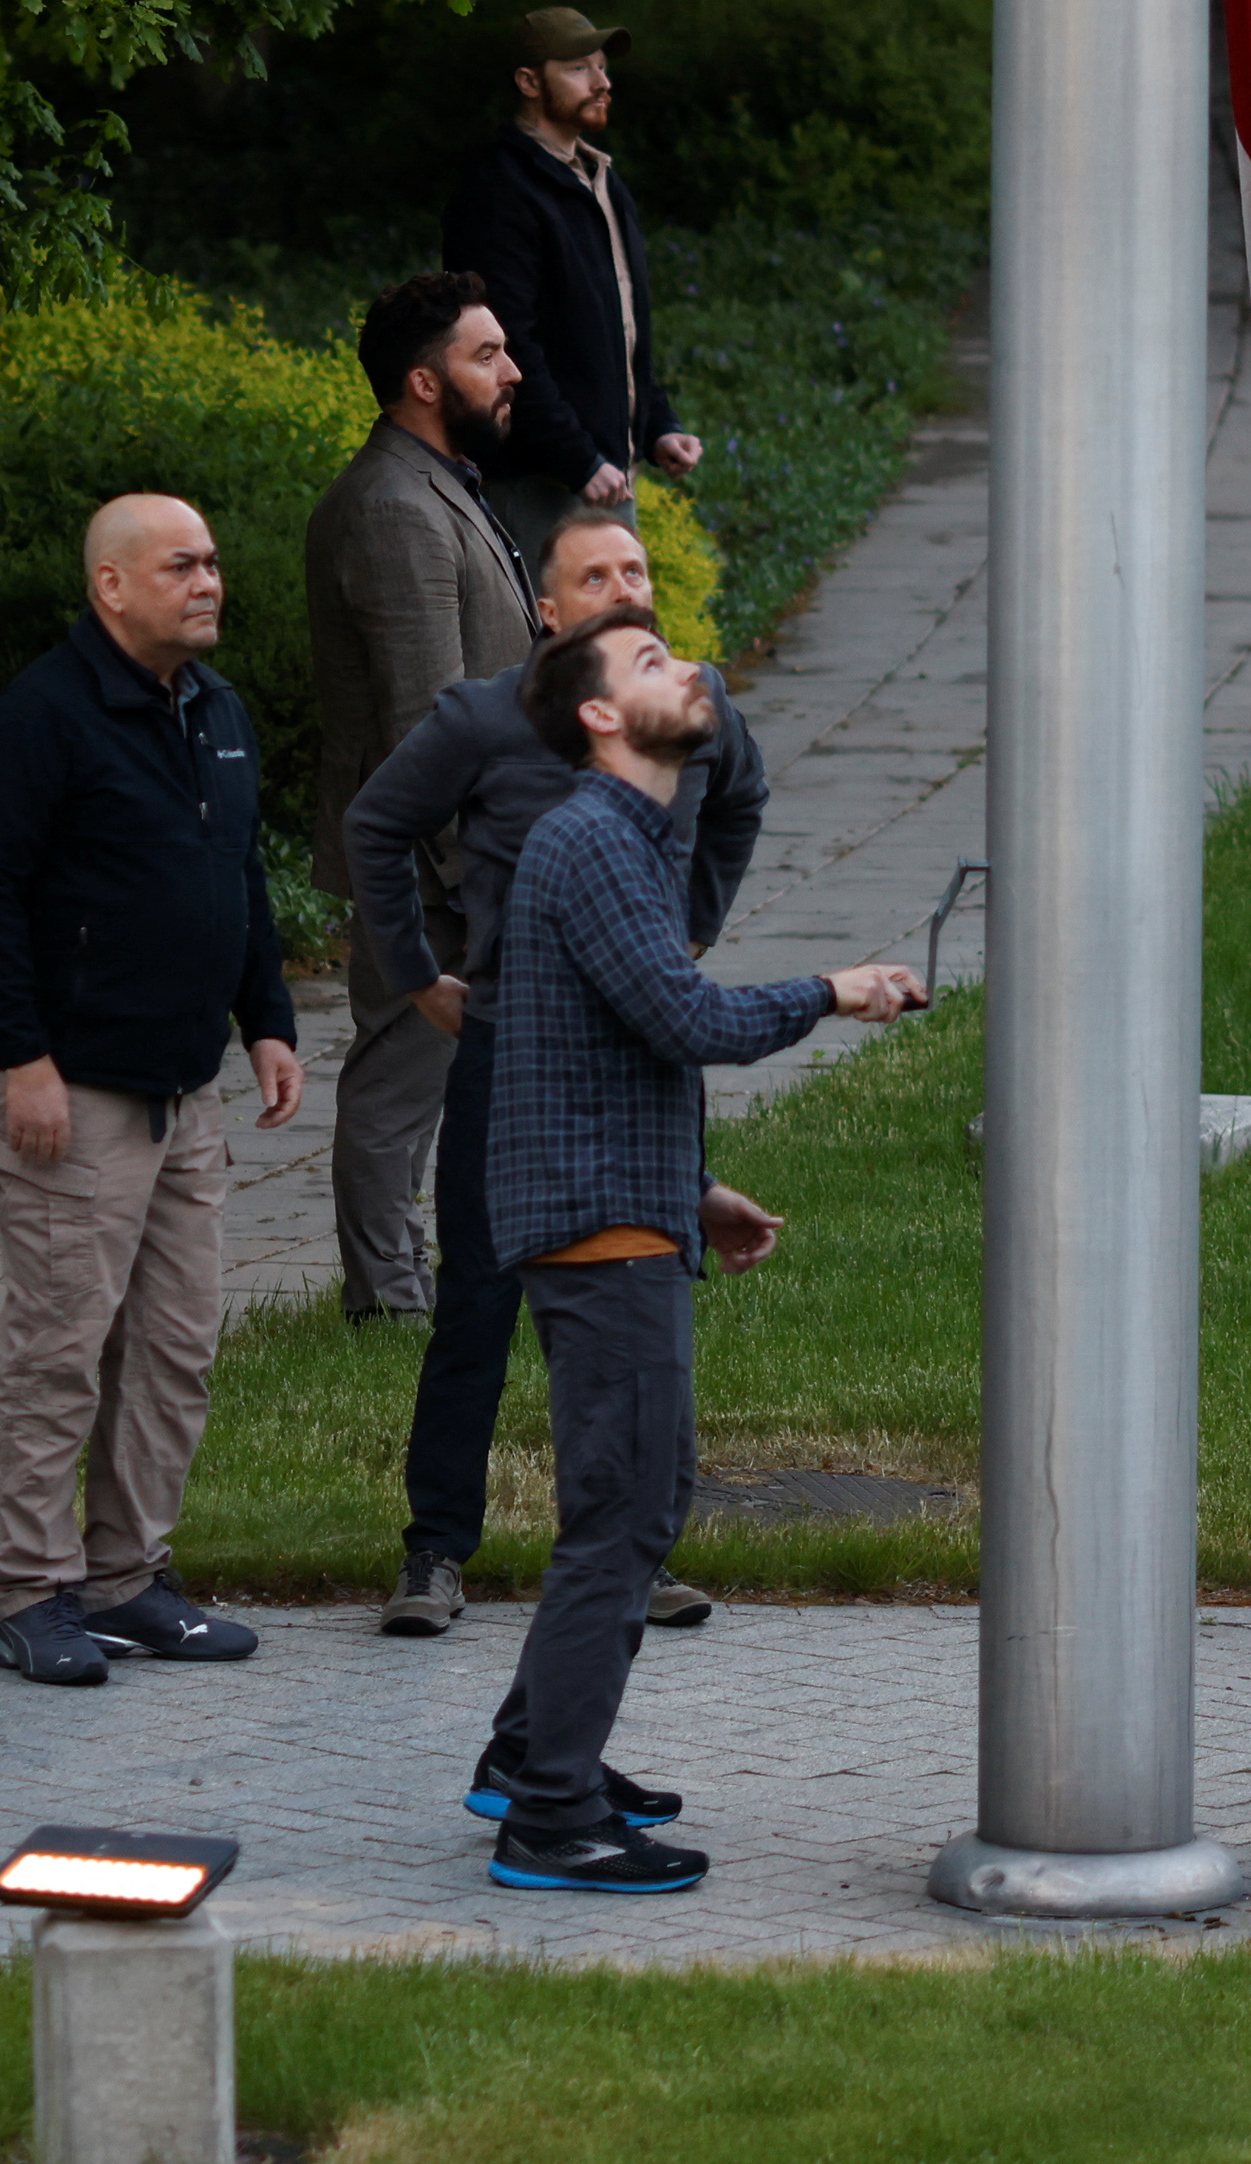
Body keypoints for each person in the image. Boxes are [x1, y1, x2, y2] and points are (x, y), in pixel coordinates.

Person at [469, 608, 916, 1895]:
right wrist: (831, 989)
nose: (690, 672)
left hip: (624, 1212)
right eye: (652, 662)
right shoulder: (594, 838)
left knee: (629, 1506)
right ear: (599, 715)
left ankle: (526, 1755)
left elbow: (595, 1057)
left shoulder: (622, 839)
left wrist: (695, 1188)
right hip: (601, 1243)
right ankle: (549, 1817)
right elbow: (682, 1017)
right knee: (623, 1515)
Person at [339, 504, 771, 1640]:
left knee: (646, 1292)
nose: (625, 587)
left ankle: (642, 1545)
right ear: (548, 605)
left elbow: (743, 799)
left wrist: (692, 929)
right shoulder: (485, 717)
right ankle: (435, 1550)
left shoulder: (693, 702)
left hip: (644, 1052)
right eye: (596, 575)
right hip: (510, 1053)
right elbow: (376, 823)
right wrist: (420, 973)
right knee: (478, 1299)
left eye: (636, 568)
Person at [0, 492, 308, 1688]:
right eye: (181, 565)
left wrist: (266, 1019)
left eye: (213, 561)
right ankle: (31, 1590)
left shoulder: (214, 710)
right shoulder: (41, 716)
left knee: (173, 1341)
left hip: (180, 1083)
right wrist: (24, 1053)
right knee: (60, 1347)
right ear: (110, 585)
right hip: (69, 1089)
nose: (209, 582)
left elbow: (237, 871)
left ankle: (128, 1577)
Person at [298, 273, 536, 1323]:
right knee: (399, 1075)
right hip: (429, 855)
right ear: (421, 379)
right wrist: (463, 872)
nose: (513, 368)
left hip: (471, 843)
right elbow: (422, 719)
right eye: (487, 354)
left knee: (446, 1074)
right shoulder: (392, 506)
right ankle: (387, 1300)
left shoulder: (444, 478)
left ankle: (433, 1271)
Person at [434, 6, 699, 557]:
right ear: (529, 82)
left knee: (614, 641)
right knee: (550, 642)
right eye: (580, 67)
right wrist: (576, 458)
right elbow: (505, 347)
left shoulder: (598, 178)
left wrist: (657, 427)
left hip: (600, 474)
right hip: (540, 483)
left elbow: (618, 330)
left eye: (602, 67)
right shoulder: (501, 191)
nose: (603, 82)